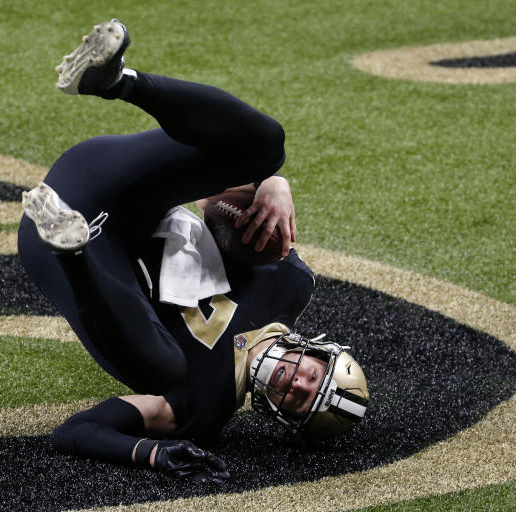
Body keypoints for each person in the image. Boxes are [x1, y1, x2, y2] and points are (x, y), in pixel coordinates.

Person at [18, 19, 368, 485]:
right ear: (317, 352)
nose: (297, 383)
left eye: (303, 399)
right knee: (266, 146)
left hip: (72, 247)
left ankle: (71, 248)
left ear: (284, 417)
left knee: (166, 367)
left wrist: (149, 454)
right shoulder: (289, 283)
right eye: (313, 376)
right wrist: (271, 185)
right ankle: (118, 81)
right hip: (111, 187)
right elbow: (212, 201)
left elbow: (75, 431)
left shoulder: (203, 411)